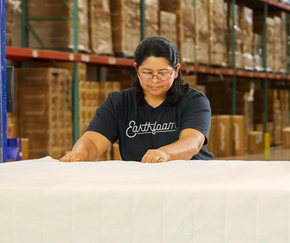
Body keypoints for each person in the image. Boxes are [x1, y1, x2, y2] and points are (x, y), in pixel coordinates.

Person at [60, 36, 214, 163]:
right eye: (147, 73)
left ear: (176, 71)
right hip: (140, 182)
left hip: (190, 178)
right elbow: (93, 141)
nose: (155, 80)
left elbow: (192, 142)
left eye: (163, 73)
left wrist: (165, 154)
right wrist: (79, 154)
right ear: (137, 70)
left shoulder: (194, 101)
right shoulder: (119, 103)